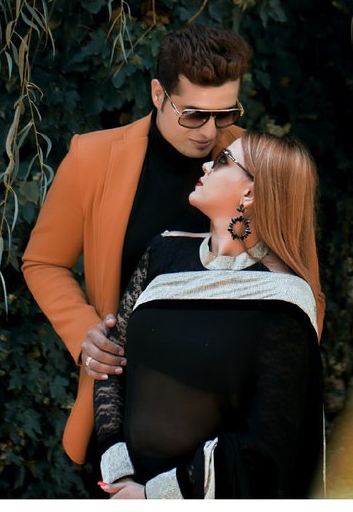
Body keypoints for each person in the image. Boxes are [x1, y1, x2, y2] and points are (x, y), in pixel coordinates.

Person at [22, 24, 252, 477]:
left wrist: (274, 381)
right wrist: (85, 334)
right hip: (121, 411)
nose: (210, 132)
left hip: (227, 416)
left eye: (224, 114)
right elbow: (44, 261)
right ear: (156, 93)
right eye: (193, 114)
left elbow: (301, 286)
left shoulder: (256, 161)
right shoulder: (92, 158)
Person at [92, 132, 326, 499]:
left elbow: (268, 443)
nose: (206, 164)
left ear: (249, 194)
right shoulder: (163, 253)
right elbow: (112, 360)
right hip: (124, 489)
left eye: (221, 162)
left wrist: (156, 495)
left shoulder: (284, 301)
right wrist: (119, 473)